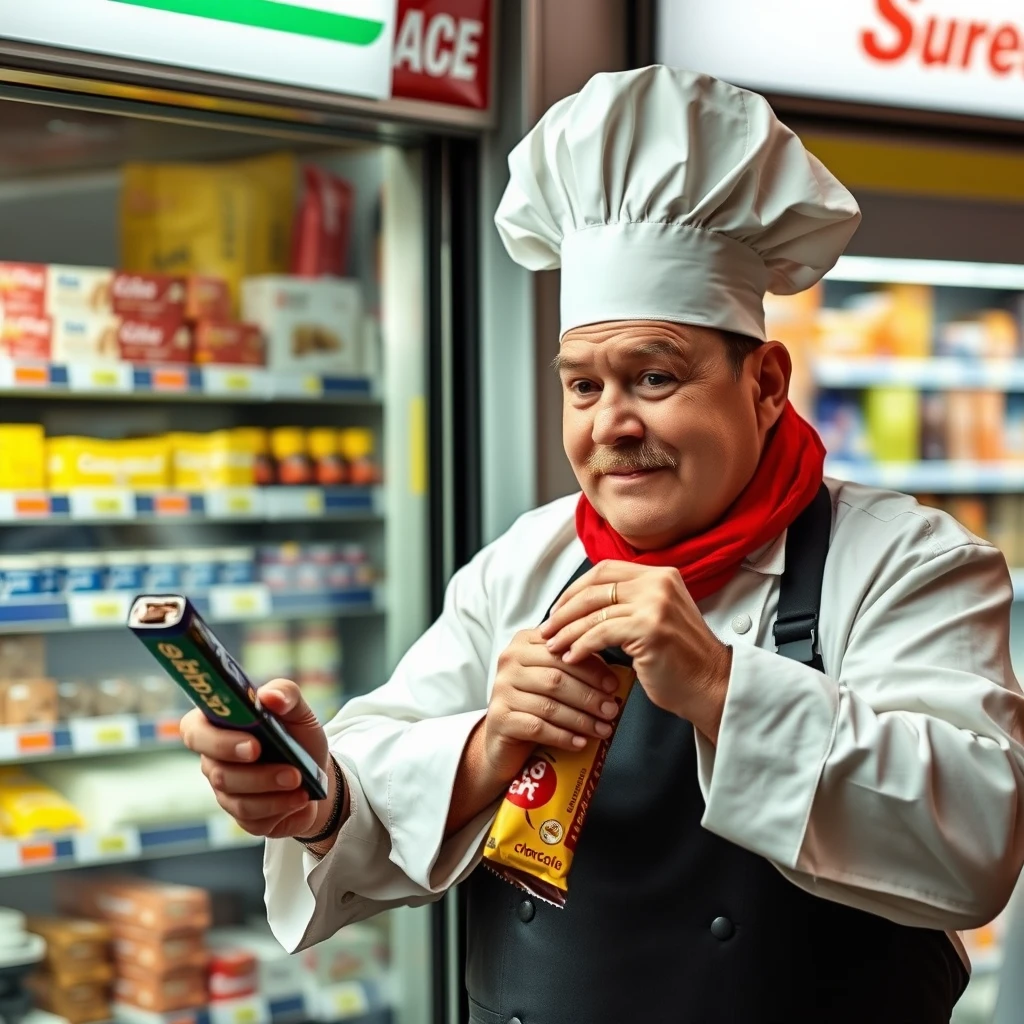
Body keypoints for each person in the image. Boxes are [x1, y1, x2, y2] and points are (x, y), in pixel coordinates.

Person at [182, 67, 1024, 1023]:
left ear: (767, 383)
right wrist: (339, 788)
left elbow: (978, 841)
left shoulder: (906, 563)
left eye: (654, 376)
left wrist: (717, 685)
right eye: (581, 387)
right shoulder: (528, 562)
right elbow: (371, 781)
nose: (610, 423)